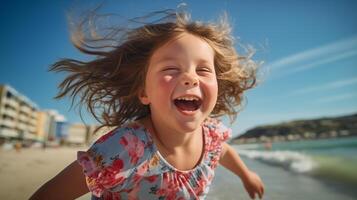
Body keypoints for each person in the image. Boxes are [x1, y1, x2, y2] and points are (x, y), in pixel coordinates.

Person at [30, 6, 264, 200]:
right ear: (144, 92)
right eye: (171, 69)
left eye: (203, 70)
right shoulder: (123, 149)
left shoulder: (211, 135)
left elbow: (222, 151)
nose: (190, 77)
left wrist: (246, 175)